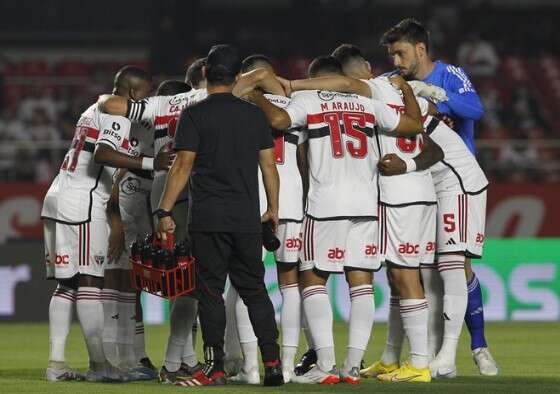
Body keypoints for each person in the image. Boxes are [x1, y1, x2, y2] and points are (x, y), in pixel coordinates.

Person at [247, 56, 426, 384]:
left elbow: (277, 119)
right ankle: (353, 366)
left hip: (325, 204)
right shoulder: (366, 102)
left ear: (315, 79)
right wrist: (408, 94)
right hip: (366, 204)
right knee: (361, 285)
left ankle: (325, 366)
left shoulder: (308, 98)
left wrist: (256, 95)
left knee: (312, 281)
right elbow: (414, 125)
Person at [156, 44, 284, 387]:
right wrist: (273, 209)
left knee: (210, 291)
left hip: (209, 219)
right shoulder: (254, 114)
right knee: (255, 291)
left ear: (207, 74)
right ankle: (273, 364)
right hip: (246, 219)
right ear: (238, 77)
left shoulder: (195, 114)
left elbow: (182, 165)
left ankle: (213, 368)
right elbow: (269, 166)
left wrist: (164, 209)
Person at [380, 18, 498, 376]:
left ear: (420, 49)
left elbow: (475, 110)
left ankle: (477, 347)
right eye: (392, 55)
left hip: (454, 176)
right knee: (426, 271)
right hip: (420, 178)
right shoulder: (394, 82)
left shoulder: (451, 75)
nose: (396, 61)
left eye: (401, 53)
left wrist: (436, 99)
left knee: (457, 266)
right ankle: (431, 355)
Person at [41, 65, 171, 382]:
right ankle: (100, 365)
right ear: (132, 93)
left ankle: (56, 364)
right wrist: (152, 163)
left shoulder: (90, 111)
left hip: (59, 195)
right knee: (89, 283)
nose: (149, 99)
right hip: (83, 203)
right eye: (145, 93)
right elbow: (103, 154)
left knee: (67, 284)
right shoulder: (117, 116)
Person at [98, 62, 208, 384]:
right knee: (171, 277)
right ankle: (158, 358)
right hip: (167, 190)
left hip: (157, 193)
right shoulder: (189, 104)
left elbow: (109, 104)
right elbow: (119, 169)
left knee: (175, 278)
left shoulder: (153, 111)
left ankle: (183, 357)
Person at [226, 54, 307, 384]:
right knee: (290, 285)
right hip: (290, 199)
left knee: (248, 285)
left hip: (251, 202)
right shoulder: (296, 104)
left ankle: (250, 369)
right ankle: (287, 366)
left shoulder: (237, 104)